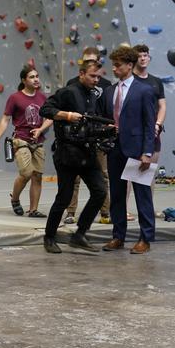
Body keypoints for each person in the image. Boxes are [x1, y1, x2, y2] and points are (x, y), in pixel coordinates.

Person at [39, 59, 110, 253]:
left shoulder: (93, 96)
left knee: (100, 191)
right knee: (64, 197)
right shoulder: (68, 91)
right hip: (67, 154)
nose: (96, 80)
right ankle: (49, 237)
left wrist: (106, 130)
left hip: (88, 152)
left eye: (98, 76)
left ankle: (79, 235)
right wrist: (67, 116)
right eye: (92, 76)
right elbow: (45, 110)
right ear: (81, 74)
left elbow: (91, 125)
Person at [103, 46, 158, 254]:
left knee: (142, 195)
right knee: (117, 195)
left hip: (136, 150)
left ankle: (146, 238)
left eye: (118, 65)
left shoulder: (144, 90)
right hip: (114, 149)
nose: (114, 69)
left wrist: (147, 152)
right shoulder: (110, 91)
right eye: (113, 65)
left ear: (129, 65)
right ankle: (118, 236)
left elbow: (149, 123)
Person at [0, 65, 52, 218]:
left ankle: (33, 209)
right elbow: (5, 120)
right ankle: (15, 199)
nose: (36, 79)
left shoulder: (43, 97)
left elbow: (50, 117)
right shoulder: (15, 98)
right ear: (24, 80)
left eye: (37, 76)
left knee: (37, 175)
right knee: (26, 173)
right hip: (20, 140)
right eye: (32, 77)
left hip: (38, 141)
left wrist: (40, 129)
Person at [63, 47, 112, 225]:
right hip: (77, 137)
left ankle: (105, 212)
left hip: (98, 137)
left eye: (94, 61)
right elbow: (64, 109)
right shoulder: (72, 84)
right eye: (87, 61)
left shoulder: (106, 84)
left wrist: (107, 132)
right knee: (74, 177)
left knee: (103, 175)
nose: (91, 65)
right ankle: (70, 212)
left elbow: (108, 109)